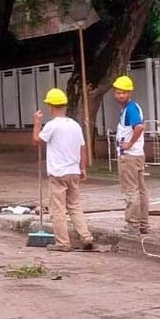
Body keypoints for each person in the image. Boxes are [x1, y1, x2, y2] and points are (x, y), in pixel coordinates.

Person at [32, 88, 94, 252]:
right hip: (73, 171)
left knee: (57, 209)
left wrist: (37, 123)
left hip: (58, 173)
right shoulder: (75, 125)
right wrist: (82, 167)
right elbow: (82, 147)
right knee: (74, 206)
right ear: (64, 106)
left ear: (51, 106)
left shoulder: (52, 126)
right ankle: (86, 236)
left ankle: (63, 242)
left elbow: (36, 140)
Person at [113, 75, 149, 234]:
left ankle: (133, 224)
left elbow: (139, 127)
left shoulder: (130, 109)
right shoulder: (132, 108)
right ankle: (143, 224)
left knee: (131, 190)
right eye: (118, 92)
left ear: (129, 93)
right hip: (137, 155)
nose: (120, 95)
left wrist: (129, 143)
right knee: (141, 190)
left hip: (129, 155)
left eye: (124, 92)